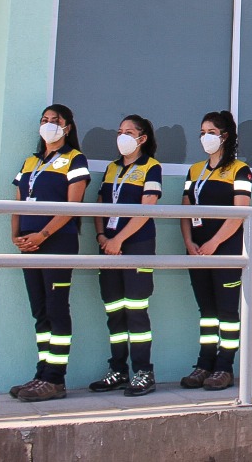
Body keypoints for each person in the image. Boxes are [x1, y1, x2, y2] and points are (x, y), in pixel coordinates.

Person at [9, 104, 90, 402]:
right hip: (28, 245)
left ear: (67, 127)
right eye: (45, 119)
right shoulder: (30, 161)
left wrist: (42, 235)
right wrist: (16, 236)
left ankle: (55, 379)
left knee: (56, 309)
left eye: (56, 120)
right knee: (40, 311)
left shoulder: (75, 159)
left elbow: (72, 206)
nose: (49, 124)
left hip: (57, 242)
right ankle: (42, 372)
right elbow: (17, 201)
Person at [89, 114, 161, 397]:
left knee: (136, 310)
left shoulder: (151, 167)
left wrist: (119, 239)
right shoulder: (111, 168)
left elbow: (147, 208)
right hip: (107, 245)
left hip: (137, 245)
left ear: (142, 138)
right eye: (119, 131)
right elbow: (99, 205)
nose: (122, 136)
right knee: (114, 311)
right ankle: (118, 369)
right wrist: (102, 237)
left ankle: (143, 372)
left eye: (129, 132)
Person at [180, 110, 252, 392]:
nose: (205, 137)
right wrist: (189, 242)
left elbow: (239, 213)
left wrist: (214, 243)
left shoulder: (239, 169)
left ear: (224, 136)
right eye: (202, 133)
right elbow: (185, 210)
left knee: (227, 311)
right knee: (207, 311)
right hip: (197, 251)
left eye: (210, 132)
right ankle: (204, 363)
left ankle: (225, 367)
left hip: (226, 250)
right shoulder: (194, 170)